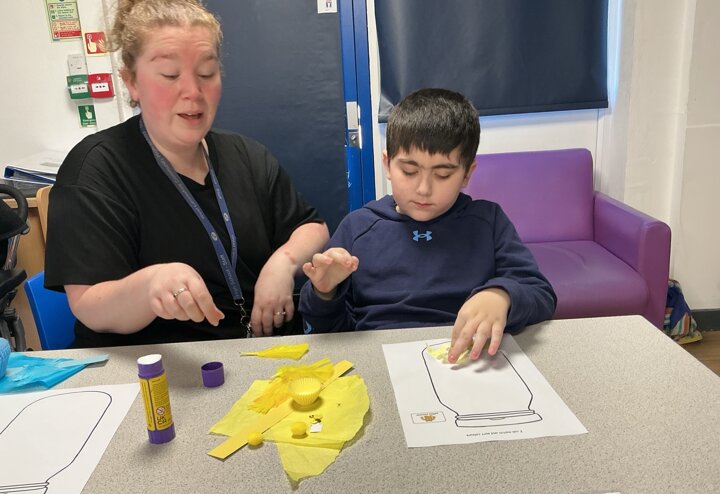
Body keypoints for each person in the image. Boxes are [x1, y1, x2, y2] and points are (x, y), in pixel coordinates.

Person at [44, 0, 329, 348]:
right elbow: (89, 305)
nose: (193, 92)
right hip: (156, 364)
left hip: (258, 351)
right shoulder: (96, 169)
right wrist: (151, 285)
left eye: (207, 73)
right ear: (131, 82)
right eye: (170, 75)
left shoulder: (246, 155)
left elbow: (312, 226)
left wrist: (283, 264)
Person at [299, 88, 556, 363]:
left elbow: (540, 294)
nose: (423, 189)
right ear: (387, 164)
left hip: (466, 359)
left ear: (467, 173)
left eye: (443, 174)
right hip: (381, 358)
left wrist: (501, 295)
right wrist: (324, 293)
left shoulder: (488, 221)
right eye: (409, 171)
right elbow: (329, 332)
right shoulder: (357, 227)